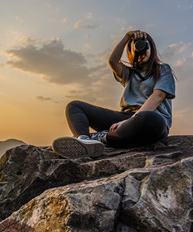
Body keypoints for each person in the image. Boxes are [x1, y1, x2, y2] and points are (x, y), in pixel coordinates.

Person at [52, 30, 176, 159]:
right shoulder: (131, 74)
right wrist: (127, 37)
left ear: (152, 49)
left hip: (149, 120)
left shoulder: (162, 69)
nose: (142, 50)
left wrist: (131, 120)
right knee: (75, 106)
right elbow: (113, 61)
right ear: (131, 52)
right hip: (124, 119)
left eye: (145, 46)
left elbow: (158, 96)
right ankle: (84, 140)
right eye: (137, 47)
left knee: (149, 119)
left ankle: (102, 138)